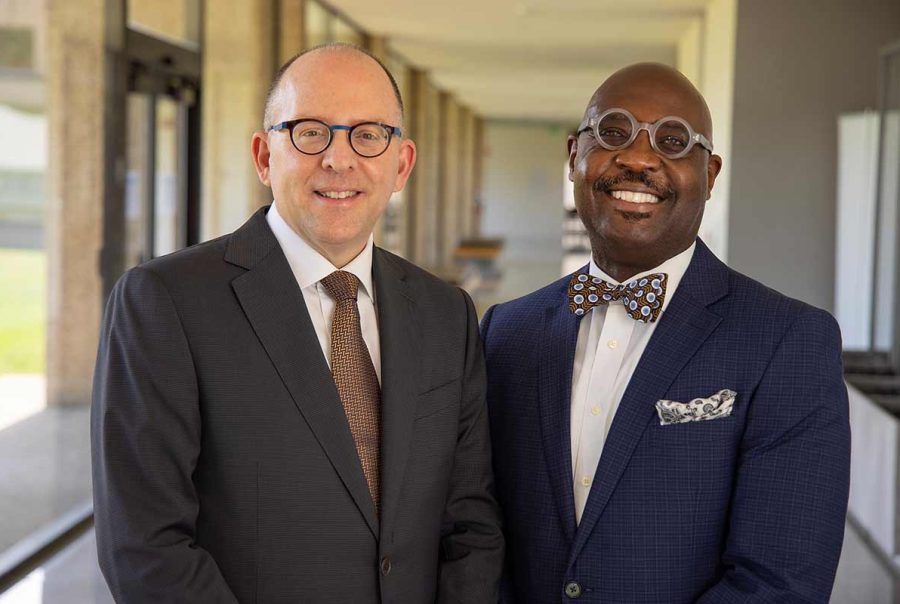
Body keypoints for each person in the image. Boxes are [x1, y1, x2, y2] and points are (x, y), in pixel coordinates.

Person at [92, 43, 503, 603]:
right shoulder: (165, 301)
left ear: (401, 165)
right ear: (264, 156)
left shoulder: (445, 313)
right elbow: (145, 546)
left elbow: (471, 521)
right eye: (310, 132)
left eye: (368, 135)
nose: (338, 159)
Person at [482, 63, 850, 603]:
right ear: (574, 155)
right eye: (612, 132)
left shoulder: (788, 340)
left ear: (710, 174)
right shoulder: (505, 332)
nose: (637, 158)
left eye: (673, 141)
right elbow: (477, 531)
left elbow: (781, 582)